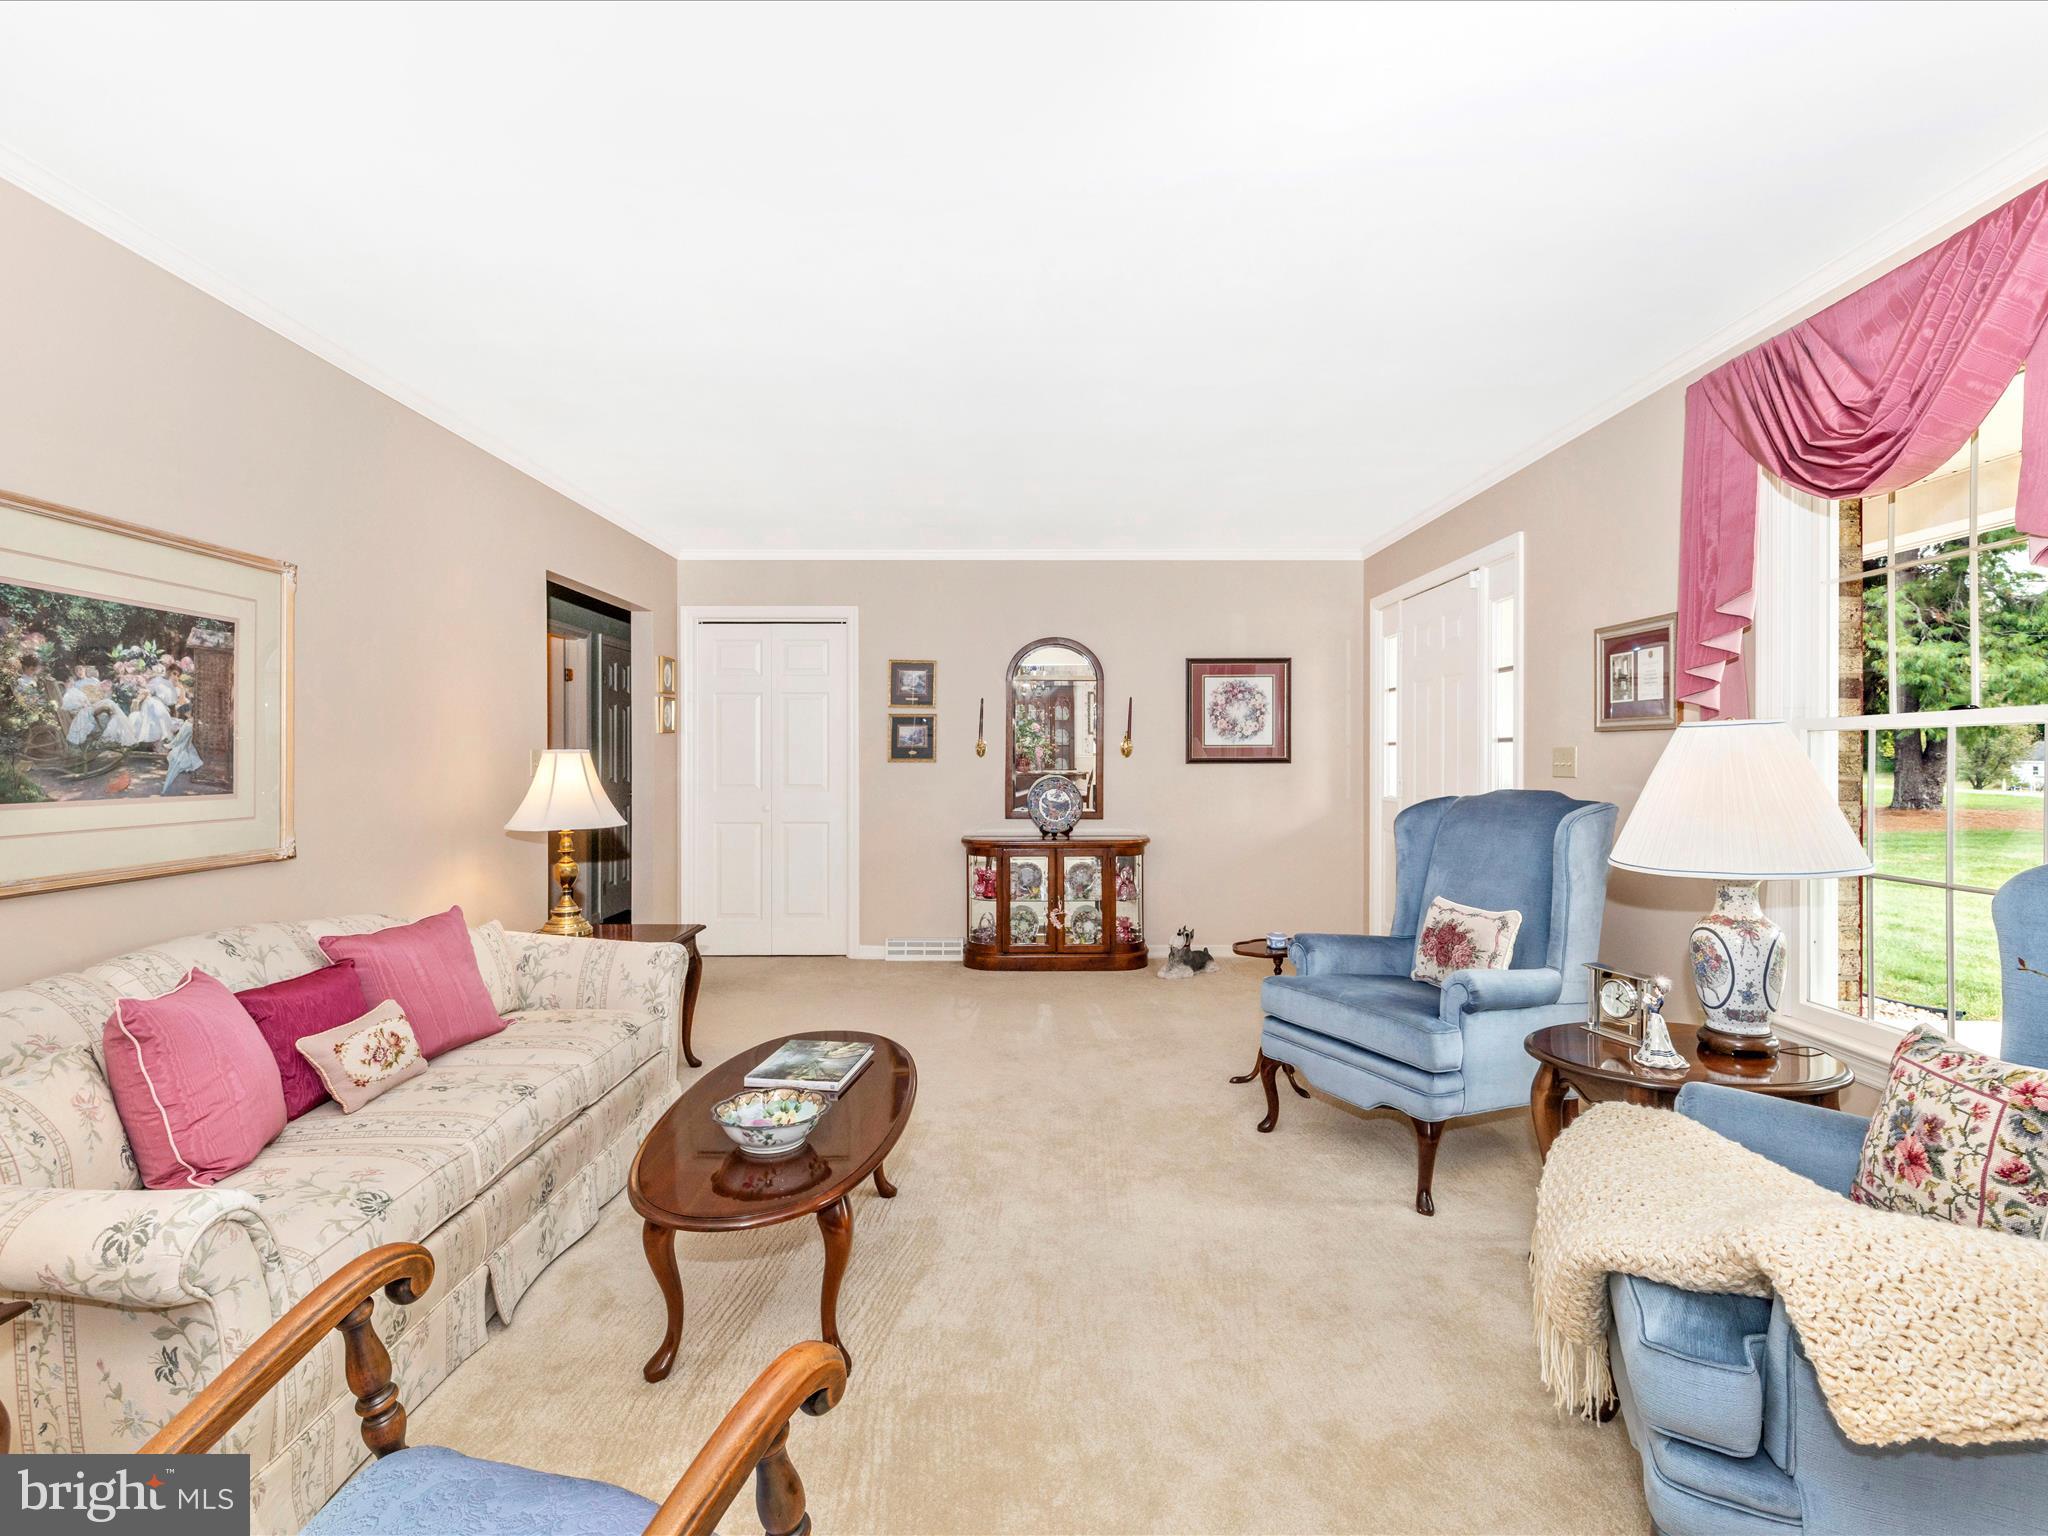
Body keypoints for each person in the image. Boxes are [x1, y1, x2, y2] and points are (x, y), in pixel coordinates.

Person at [161, 716, 202, 794]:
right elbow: (181, 738)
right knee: (173, 771)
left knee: (173, 770)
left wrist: (171, 745)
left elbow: (180, 738)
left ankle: (165, 789)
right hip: (184, 749)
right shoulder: (192, 723)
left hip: (181, 751)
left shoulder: (188, 724)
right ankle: (165, 789)